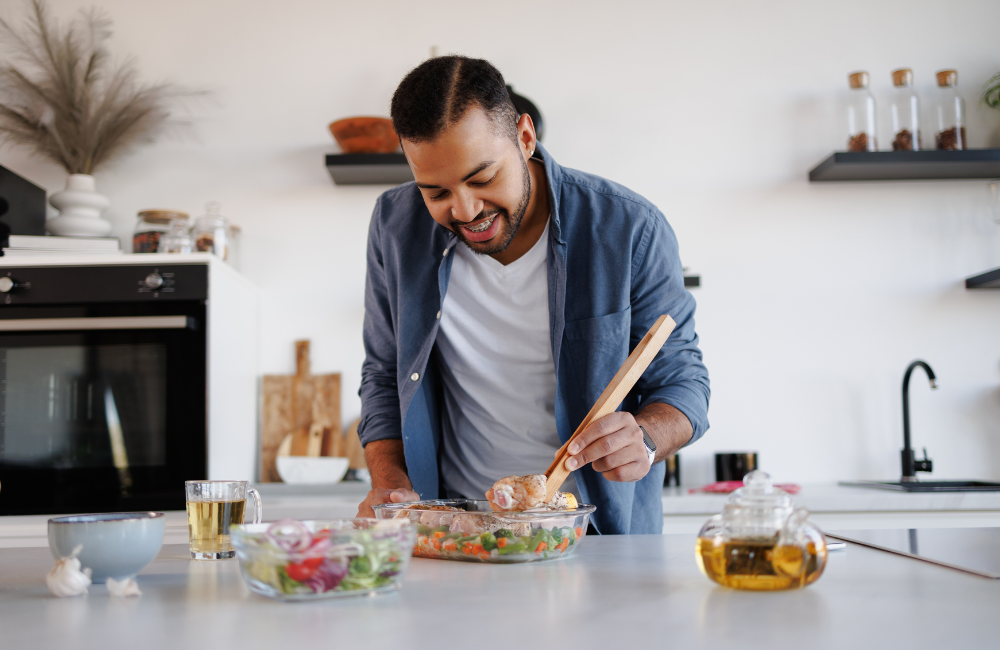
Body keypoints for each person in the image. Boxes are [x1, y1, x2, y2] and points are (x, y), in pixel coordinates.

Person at [355, 56, 709, 534]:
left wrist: (645, 439)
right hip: (456, 531)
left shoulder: (628, 228)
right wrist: (391, 486)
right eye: (436, 192)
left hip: (596, 537)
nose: (466, 210)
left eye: (482, 178)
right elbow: (382, 375)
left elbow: (684, 384)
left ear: (525, 137)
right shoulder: (394, 225)